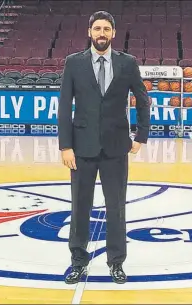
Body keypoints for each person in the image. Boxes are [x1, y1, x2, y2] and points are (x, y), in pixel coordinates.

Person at [57, 11, 150, 285]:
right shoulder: (73, 63)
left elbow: (143, 100)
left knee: (116, 208)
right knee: (79, 208)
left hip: (116, 148)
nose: (101, 33)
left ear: (113, 33)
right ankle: (78, 262)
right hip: (81, 149)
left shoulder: (128, 63)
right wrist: (65, 146)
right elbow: (64, 107)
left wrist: (141, 136)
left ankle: (116, 263)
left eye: (106, 29)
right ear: (89, 32)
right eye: (97, 28)